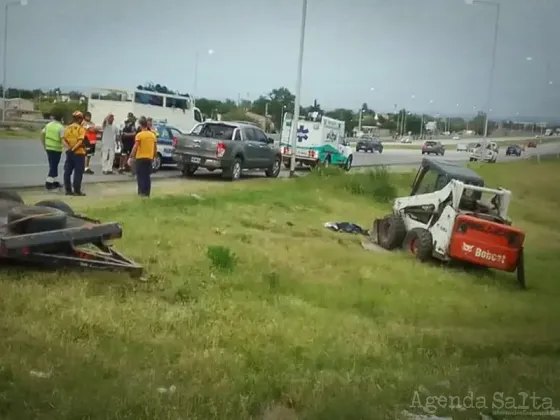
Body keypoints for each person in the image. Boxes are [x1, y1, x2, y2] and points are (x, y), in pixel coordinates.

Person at [129, 116, 157, 197]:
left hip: (140, 158)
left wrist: (131, 156)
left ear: (141, 125)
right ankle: (147, 192)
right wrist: (154, 156)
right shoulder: (152, 135)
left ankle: (141, 192)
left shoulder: (139, 135)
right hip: (149, 158)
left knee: (140, 176)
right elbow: (155, 148)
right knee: (147, 176)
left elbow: (135, 147)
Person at [63, 111, 87, 196]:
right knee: (78, 172)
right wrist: (73, 149)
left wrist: (69, 149)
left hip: (69, 153)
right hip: (79, 153)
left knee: (67, 171)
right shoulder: (81, 129)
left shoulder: (67, 128)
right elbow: (80, 141)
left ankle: (68, 190)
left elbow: (63, 140)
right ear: (80, 119)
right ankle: (77, 191)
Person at [40, 109, 65, 190]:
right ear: (61, 118)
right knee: (53, 166)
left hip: (48, 147)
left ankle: (54, 181)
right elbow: (62, 139)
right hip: (56, 149)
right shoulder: (61, 127)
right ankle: (48, 183)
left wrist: (44, 144)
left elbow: (42, 134)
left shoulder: (48, 125)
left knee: (53, 165)